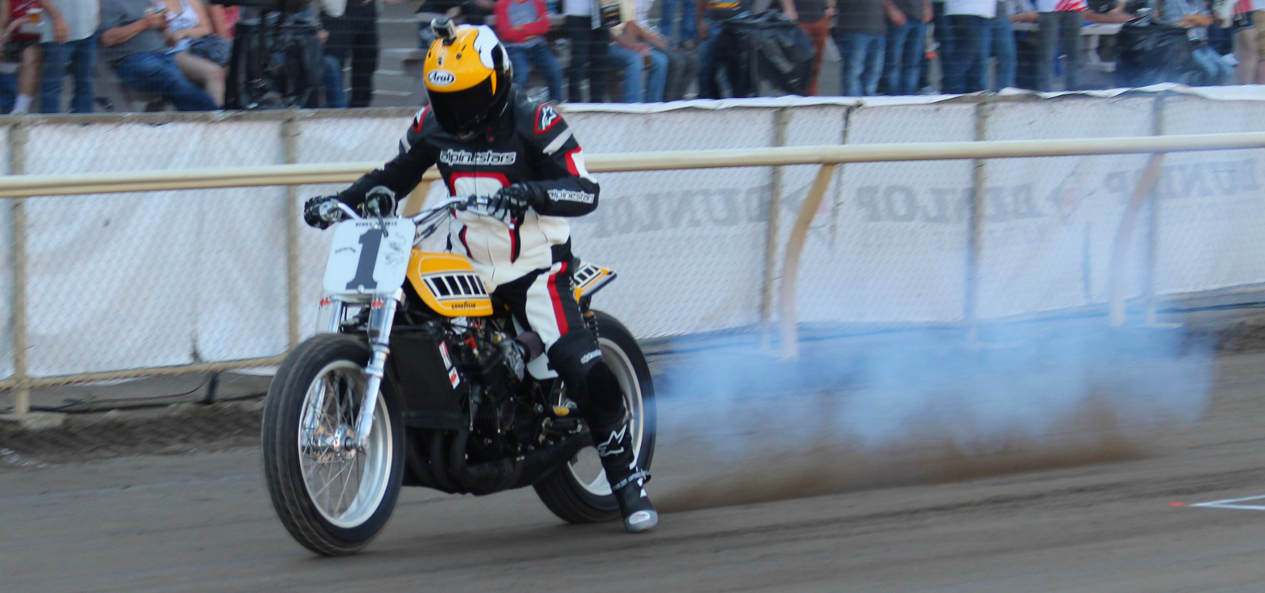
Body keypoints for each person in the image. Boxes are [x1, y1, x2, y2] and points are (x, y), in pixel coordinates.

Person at [302, 21, 658, 533]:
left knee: (580, 367)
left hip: (535, 267)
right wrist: (343, 200)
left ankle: (627, 480)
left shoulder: (535, 120)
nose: (459, 111)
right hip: (471, 264)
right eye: (448, 98)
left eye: (469, 96)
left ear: (497, 82)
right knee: (411, 308)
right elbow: (395, 175)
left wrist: (531, 194)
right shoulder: (432, 124)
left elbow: (585, 189)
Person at [100, 0, 218, 111]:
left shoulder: (148, 2)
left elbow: (167, 40)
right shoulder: (111, 2)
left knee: (177, 81)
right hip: (132, 59)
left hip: (163, 55)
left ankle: (205, 118)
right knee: (172, 80)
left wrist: (164, 26)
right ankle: (212, 116)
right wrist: (143, 24)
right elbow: (109, 38)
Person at [494, 0, 565, 102]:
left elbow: (545, 26)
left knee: (555, 71)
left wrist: (521, 28)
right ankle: (515, 106)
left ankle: (555, 104)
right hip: (513, 48)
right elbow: (506, 34)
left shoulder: (537, 1)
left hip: (538, 46)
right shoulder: (502, 4)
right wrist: (533, 31)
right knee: (522, 74)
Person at [160, 0, 226, 107]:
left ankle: (236, 112)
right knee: (214, 73)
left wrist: (183, 32)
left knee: (235, 67)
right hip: (173, 51)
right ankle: (213, 119)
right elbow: (163, 37)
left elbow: (206, 29)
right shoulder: (153, 3)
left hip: (198, 46)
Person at [37, 0, 96, 113]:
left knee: (86, 83)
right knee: (53, 84)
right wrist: (57, 18)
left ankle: (84, 125)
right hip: (59, 31)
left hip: (89, 29)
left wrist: (97, 13)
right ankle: (50, 127)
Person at [1157, 0, 1232, 84]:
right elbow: (1173, 26)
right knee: (1211, 70)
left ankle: (1216, 91)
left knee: (1228, 70)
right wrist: (1197, 19)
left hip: (1202, 44)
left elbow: (1207, 21)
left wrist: (1190, 18)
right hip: (1185, 46)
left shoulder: (1198, 1)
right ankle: (1203, 94)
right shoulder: (1172, 2)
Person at [608, 0, 669, 101]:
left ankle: (653, 107)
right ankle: (632, 107)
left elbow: (630, 24)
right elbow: (609, 30)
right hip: (608, 45)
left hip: (624, 44)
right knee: (634, 59)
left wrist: (635, 46)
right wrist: (630, 46)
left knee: (660, 61)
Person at [695, 0, 750, 98]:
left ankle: (740, 104)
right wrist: (700, 20)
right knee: (705, 70)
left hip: (737, 20)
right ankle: (708, 105)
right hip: (712, 22)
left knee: (737, 70)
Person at [834, 0, 888, 96]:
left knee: (874, 72)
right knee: (854, 71)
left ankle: (867, 105)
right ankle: (853, 105)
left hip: (878, 30)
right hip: (854, 30)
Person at [1, 0, 44, 114]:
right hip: (12, 38)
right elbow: (4, 18)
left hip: (31, 37)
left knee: (29, 57)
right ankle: (6, 104)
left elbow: (35, 19)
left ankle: (21, 108)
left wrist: (16, 23)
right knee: (2, 55)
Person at [563, 0, 610, 102]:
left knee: (600, 60)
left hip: (604, 10)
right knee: (579, 59)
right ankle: (574, 102)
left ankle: (597, 103)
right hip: (578, 12)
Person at [787, 0, 835, 95]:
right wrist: (789, 10)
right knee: (798, 63)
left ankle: (811, 97)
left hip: (821, 17)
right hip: (799, 19)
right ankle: (795, 96)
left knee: (816, 63)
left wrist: (831, 7)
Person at [884, 0, 930, 94]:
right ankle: (893, 99)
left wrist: (928, 8)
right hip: (897, 19)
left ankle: (910, 97)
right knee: (893, 63)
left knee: (914, 63)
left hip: (919, 18)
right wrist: (891, 10)